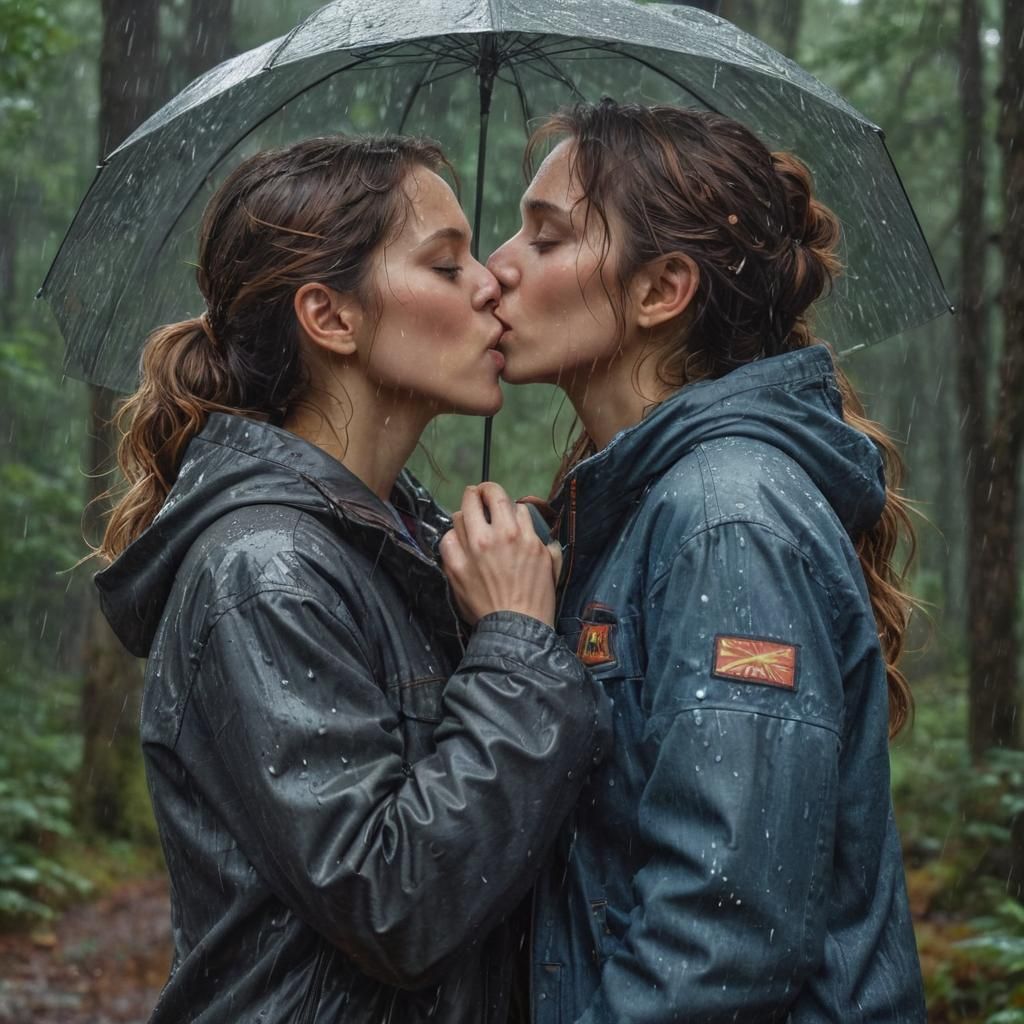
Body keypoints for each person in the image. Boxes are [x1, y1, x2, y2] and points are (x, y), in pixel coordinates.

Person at [92, 134, 610, 1024]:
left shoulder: (395, 550)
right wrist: (517, 647)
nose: (491, 280)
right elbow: (395, 904)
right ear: (330, 317)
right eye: (445, 265)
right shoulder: (265, 573)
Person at [480, 100, 926, 1022]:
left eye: (547, 238)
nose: (497, 266)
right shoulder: (645, 511)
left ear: (661, 290)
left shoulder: (727, 516)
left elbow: (723, 935)